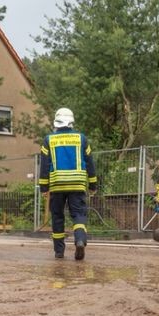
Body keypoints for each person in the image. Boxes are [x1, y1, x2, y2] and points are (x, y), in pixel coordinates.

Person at [38, 108, 96, 260]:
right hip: (77, 184)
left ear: (56, 121)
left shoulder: (48, 139)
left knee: (57, 216)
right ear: (71, 121)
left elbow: (44, 165)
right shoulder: (81, 138)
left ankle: (59, 251)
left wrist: (44, 187)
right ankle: (80, 240)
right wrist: (92, 184)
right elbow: (90, 163)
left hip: (57, 185)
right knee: (79, 215)